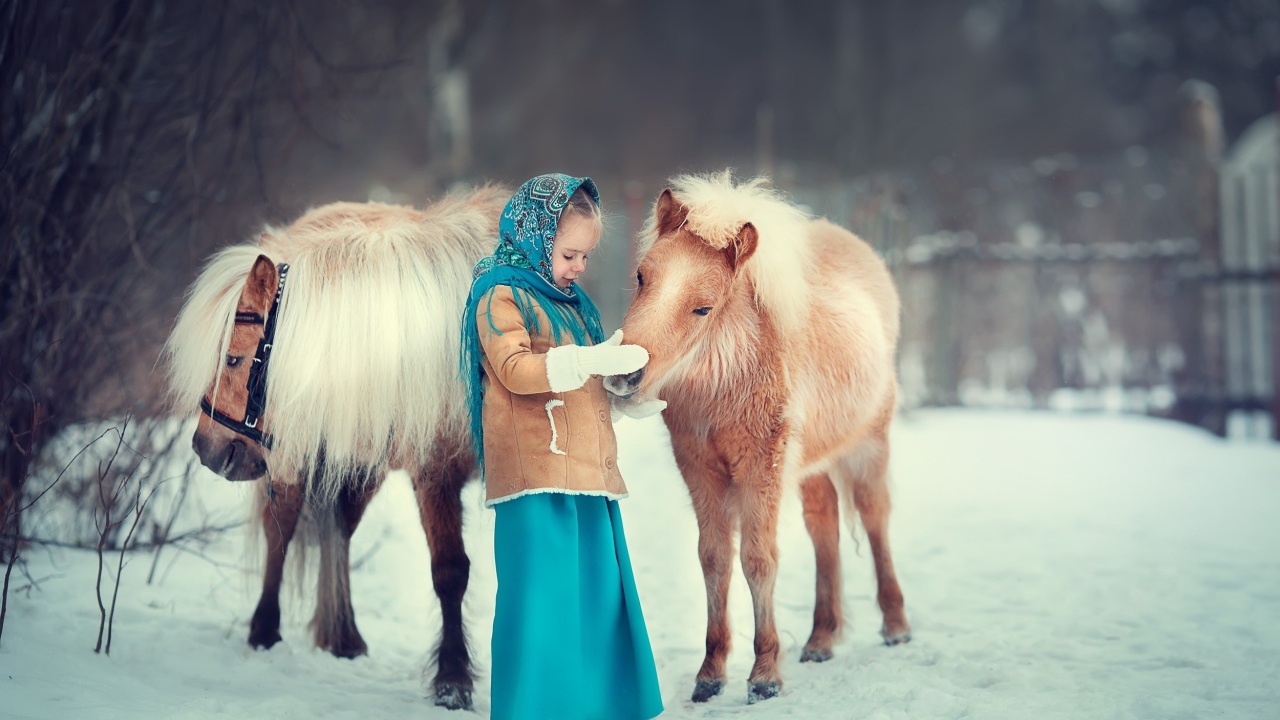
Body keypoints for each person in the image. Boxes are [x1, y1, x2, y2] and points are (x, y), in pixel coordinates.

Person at [460, 174, 665, 720]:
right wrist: (589, 361)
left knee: (597, 597)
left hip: (587, 475)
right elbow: (514, 369)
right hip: (535, 480)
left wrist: (621, 392)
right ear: (535, 234)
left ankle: (600, 704)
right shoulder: (498, 293)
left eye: (585, 256)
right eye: (569, 253)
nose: (578, 267)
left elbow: (584, 377)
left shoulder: (571, 304)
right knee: (543, 603)